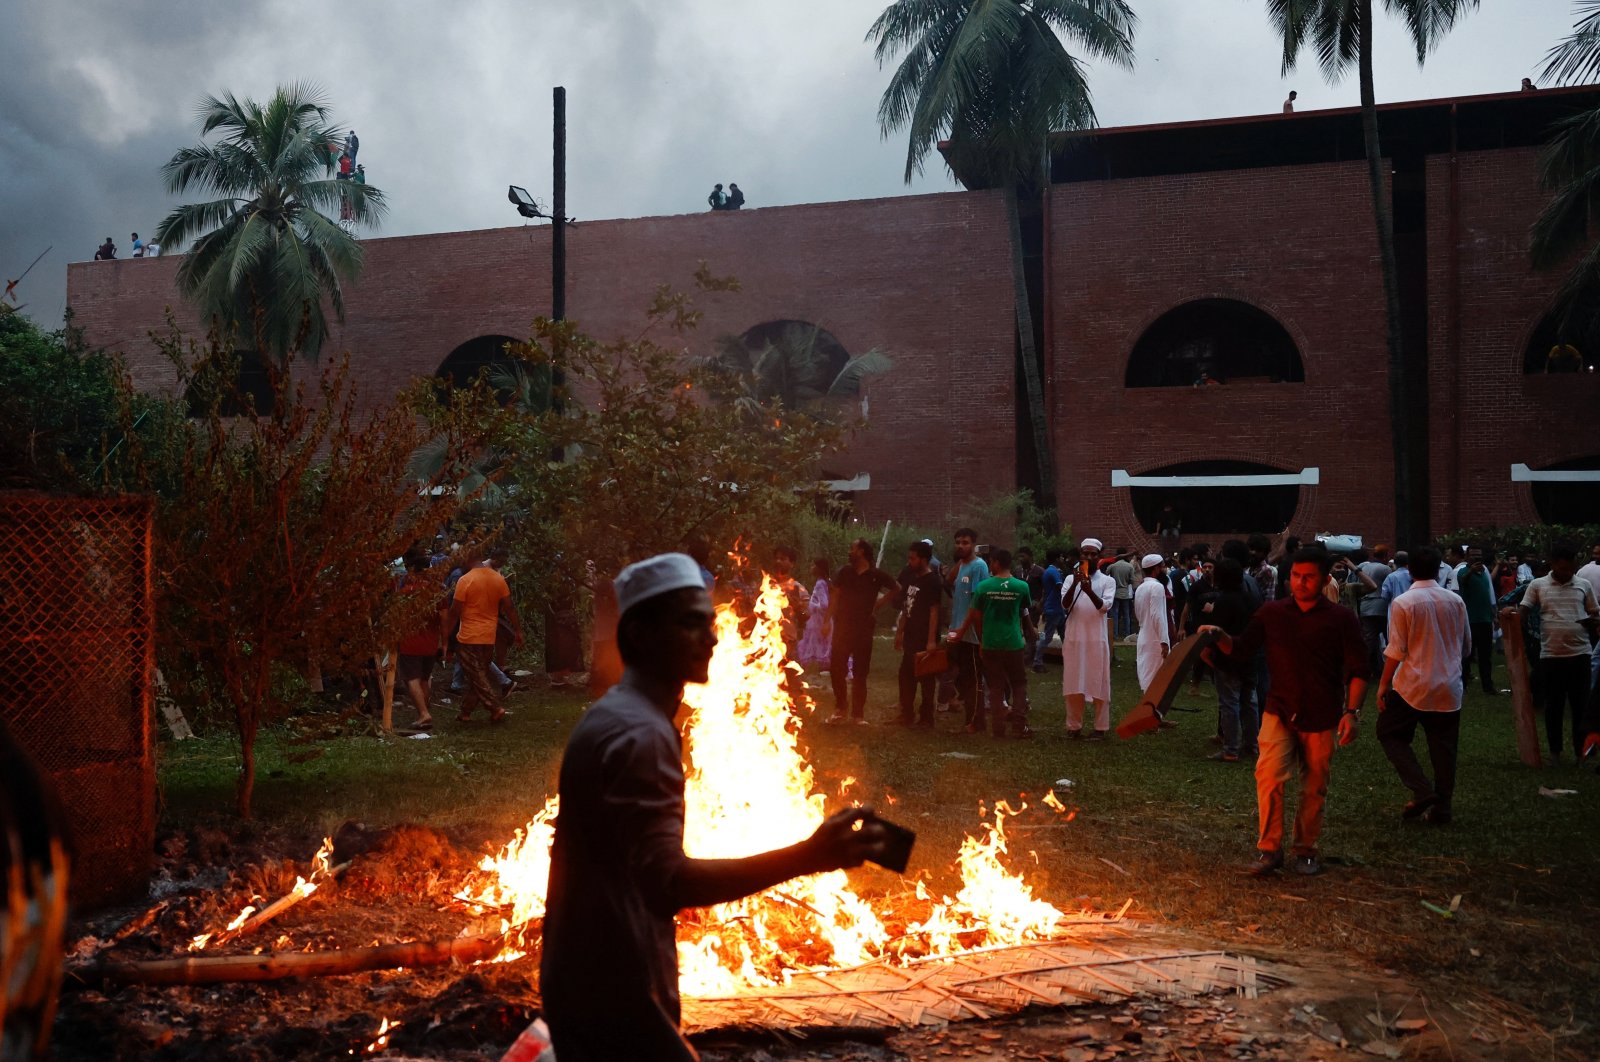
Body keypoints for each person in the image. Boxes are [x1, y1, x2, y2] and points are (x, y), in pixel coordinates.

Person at [540, 553, 889, 1061]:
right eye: (690, 625)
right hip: (614, 992)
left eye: (709, 624)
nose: (712, 638)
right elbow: (670, 883)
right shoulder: (639, 736)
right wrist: (808, 857)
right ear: (638, 634)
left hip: (593, 975)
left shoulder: (624, 716)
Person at [1202, 546, 1369, 877]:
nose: (1301, 582)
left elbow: (1358, 668)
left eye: (1308, 577)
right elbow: (1242, 648)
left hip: (1322, 714)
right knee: (1268, 778)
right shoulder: (1272, 613)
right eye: (1295, 576)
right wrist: (1218, 636)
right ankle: (1269, 849)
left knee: (1314, 785)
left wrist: (1351, 712)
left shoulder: (1340, 619)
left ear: (1323, 579)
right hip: (1279, 709)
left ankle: (1306, 848)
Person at [1376, 547, 1470, 825]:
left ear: (1409, 570)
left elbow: (1396, 650)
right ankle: (1443, 807)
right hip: (1449, 685)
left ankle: (1421, 788)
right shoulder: (1455, 601)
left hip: (1413, 684)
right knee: (1444, 747)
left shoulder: (1405, 602)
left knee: (1389, 732)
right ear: (1439, 568)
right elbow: (1466, 646)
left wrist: (1383, 685)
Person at [1521, 543, 1599, 764]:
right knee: (1553, 705)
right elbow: (1524, 610)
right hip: (1551, 655)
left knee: (1580, 706)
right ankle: (1555, 752)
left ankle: (1581, 752)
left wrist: (1594, 620)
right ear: (1553, 564)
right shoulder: (1537, 585)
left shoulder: (1583, 585)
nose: (1567, 573)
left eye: (1571, 569)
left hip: (1580, 653)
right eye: (1563, 568)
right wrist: (1513, 615)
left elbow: (1594, 611)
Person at [950, 548, 1033, 738]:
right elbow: (1023, 610)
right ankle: (1019, 725)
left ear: (995, 562)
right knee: (1018, 683)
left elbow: (976, 617)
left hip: (990, 642)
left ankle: (998, 727)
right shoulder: (1021, 587)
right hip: (1013, 642)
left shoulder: (984, 587)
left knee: (995, 686)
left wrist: (981, 639)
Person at [447, 545, 523, 723]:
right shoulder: (497, 579)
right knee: (478, 674)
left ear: (467, 560)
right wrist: (518, 630)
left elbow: (454, 612)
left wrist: (445, 638)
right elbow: (510, 607)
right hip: (489, 636)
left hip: (468, 637)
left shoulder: (465, 580)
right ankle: (465, 711)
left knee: (477, 675)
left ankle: (495, 708)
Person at [826, 538, 898, 725]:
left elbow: (896, 588)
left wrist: (878, 605)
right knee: (836, 668)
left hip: (864, 629)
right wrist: (827, 621)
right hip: (842, 627)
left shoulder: (875, 575)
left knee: (860, 672)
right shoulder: (844, 572)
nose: (850, 552)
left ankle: (858, 714)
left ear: (862, 552)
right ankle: (840, 707)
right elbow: (835, 596)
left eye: (853, 548)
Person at [1200, 559, 1258, 761]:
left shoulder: (1223, 601)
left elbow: (1217, 632)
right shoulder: (1252, 598)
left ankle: (1231, 749)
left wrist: (1206, 651)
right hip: (1249, 656)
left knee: (1229, 703)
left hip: (1228, 657)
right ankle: (1251, 746)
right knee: (1250, 702)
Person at [1062, 538, 1116, 740]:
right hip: (1074, 639)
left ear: (1100, 557)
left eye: (1094, 554)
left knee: (1099, 683)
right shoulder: (1069, 579)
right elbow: (1065, 605)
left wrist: (1089, 590)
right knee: (1073, 682)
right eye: (1086, 554)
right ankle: (1073, 726)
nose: (1089, 557)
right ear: (1080, 556)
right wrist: (1076, 583)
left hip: (1096, 640)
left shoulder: (1107, 581)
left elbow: (1104, 607)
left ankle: (1100, 728)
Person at [395, 548, 447, 730]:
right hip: (431, 642)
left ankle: (424, 713)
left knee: (411, 679)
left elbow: (397, 617)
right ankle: (424, 712)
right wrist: (444, 642)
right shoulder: (437, 590)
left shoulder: (405, 591)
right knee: (425, 678)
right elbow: (444, 618)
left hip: (410, 642)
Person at [893, 541, 943, 728]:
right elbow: (907, 607)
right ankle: (906, 714)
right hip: (910, 636)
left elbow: (934, 611)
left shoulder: (933, 581)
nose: (909, 562)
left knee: (927, 679)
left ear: (923, 559)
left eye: (912, 558)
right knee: (905, 676)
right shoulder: (912, 579)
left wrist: (931, 640)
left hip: (924, 637)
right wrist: (900, 631)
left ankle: (926, 717)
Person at [943, 528, 990, 726]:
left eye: (965, 543)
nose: (961, 546)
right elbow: (948, 581)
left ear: (974, 545)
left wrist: (965, 630)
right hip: (957, 632)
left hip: (970, 634)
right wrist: (960, 560)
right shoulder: (963, 565)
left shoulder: (979, 566)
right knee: (956, 675)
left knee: (972, 679)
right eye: (958, 542)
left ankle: (975, 721)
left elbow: (977, 604)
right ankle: (968, 715)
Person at [1457, 547, 1497, 695]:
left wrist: (1494, 614)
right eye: (1473, 555)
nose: (1476, 558)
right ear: (1467, 557)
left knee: (1486, 655)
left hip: (1485, 619)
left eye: (1479, 555)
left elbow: (1489, 594)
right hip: (1470, 620)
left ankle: (1488, 686)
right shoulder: (1463, 571)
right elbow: (1462, 581)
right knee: (1467, 654)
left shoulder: (1485, 572)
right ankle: (1463, 685)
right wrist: (1471, 571)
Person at [1133, 553, 1171, 693]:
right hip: (1156, 640)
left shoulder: (1141, 587)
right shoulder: (1157, 587)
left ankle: (1152, 713)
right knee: (1157, 684)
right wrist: (1164, 641)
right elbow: (1157, 616)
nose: (1164, 569)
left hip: (1144, 636)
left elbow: (1138, 614)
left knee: (1148, 680)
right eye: (1162, 567)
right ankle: (1153, 714)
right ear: (1156, 569)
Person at [1353, 546, 1393, 676]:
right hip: (1381, 606)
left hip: (1365, 606)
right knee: (1388, 640)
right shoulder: (1385, 569)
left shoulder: (1364, 568)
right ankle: (1389, 670)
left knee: (1368, 640)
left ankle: (1361, 669)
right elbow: (1390, 585)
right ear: (1385, 556)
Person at [769, 545, 811, 659]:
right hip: (766, 642)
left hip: (788, 644)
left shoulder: (798, 589)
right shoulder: (766, 587)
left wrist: (798, 608)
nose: (778, 561)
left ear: (792, 564)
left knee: (790, 676)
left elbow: (806, 616)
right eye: (776, 558)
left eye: (782, 559)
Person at [1032, 549, 1066, 672]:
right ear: (1057, 559)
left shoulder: (1048, 571)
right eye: (1061, 557)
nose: (1063, 559)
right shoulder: (1053, 572)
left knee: (1065, 636)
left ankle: (1069, 659)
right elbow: (1061, 587)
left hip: (1056, 607)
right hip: (1055, 607)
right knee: (1047, 637)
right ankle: (1037, 661)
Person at [796, 559, 832, 669]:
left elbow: (824, 604)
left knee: (818, 641)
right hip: (824, 618)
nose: (811, 567)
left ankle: (823, 665)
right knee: (823, 642)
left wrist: (812, 605)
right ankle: (823, 665)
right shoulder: (827, 582)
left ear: (819, 569)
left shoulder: (820, 584)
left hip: (819, 619)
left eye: (813, 565)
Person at [1107, 549, 1137, 641]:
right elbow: (1132, 580)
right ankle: (1127, 634)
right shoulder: (1129, 567)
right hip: (1125, 593)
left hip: (1115, 592)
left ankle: (1115, 634)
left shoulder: (1112, 566)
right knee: (1126, 614)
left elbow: (1106, 575)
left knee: (1114, 614)